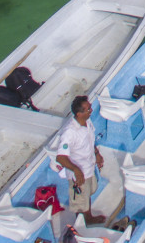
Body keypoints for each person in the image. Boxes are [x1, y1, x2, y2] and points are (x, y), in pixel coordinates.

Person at [55, 95, 105, 226]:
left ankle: (88, 217)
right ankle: (80, 226)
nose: (91, 110)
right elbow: (60, 157)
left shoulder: (88, 123)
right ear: (79, 114)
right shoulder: (70, 132)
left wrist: (97, 153)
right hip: (78, 173)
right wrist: (76, 170)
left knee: (87, 194)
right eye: (88, 109)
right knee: (79, 203)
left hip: (89, 168)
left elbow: (90, 141)